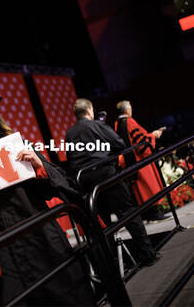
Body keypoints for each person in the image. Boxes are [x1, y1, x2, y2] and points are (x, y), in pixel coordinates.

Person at [0, 92, 95, 306]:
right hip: (4, 247)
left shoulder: (21, 147)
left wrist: (39, 167)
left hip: (40, 234)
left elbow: (56, 185)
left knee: (65, 292)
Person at [66, 99, 161, 267]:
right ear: (89, 111)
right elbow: (119, 144)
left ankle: (113, 265)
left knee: (102, 223)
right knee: (128, 213)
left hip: (83, 180)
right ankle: (148, 255)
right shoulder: (96, 125)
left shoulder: (70, 133)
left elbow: (71, 158)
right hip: (104, 173)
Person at [115, 100, 169, 221]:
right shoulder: (129, 121)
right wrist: (153, 136)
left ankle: (147, 213)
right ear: (127, 110)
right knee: (147, 187)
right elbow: (141, 142)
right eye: (131, 108)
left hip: (129, 160)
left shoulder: (117, 123)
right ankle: (153, 214)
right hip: (139, 160)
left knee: (140, 190)